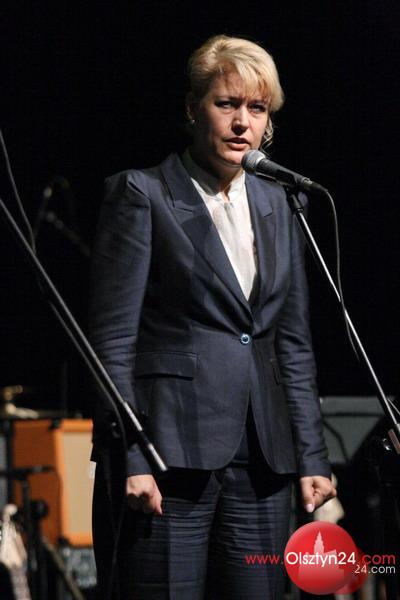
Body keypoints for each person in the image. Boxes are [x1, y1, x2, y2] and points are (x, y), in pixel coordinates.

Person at [89, 34, 336, 600]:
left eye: (257, 108)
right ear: (192, 108)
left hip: (263, 460)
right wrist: (130, 454)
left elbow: (291, 341)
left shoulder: (282, 203)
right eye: (227, 104)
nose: (242, 122)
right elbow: (111, 339)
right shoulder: (143, 193)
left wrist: (311, 454)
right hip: (167, 456)